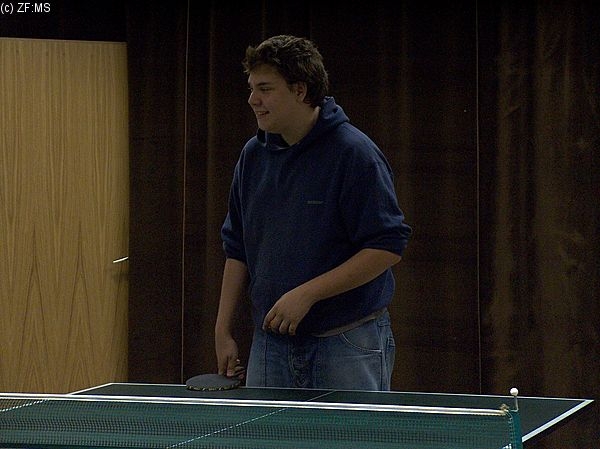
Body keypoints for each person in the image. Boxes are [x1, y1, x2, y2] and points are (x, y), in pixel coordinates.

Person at [215, 35, 412, 391]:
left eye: (265, 89)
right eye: (251, 88)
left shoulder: (354, 154)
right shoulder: (252, 156)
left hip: (347, 341)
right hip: (270, 344)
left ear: (300, 91)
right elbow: (236, 247)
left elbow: (386, 247)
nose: (253, 100)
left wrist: (308, 294)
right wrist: (222, 329)